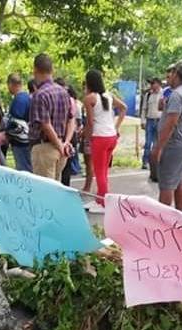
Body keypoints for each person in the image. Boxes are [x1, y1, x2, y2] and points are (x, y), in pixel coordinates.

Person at [151, 60, 182, 211]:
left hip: (174, 145)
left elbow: (170, 124)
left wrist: (158, 148)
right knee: (179, 182)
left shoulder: (177, 95)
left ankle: (163, 222)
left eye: (170, 74)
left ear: (176, 74)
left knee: (166, 185)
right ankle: (179, 215)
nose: (168, 77)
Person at [82, 69, 127, 214]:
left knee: (99, 172)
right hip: (111, 136)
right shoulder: (109, 96)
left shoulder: (89, 98)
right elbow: (123, 108)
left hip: (99, 137)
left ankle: (104, 203)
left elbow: (89, 123)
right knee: (104, 171)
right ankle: (100, 199)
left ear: (89, 82)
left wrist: (86, 137)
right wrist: (116, 126)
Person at [28, 53, 75, 181]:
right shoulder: (64, 92)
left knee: (44, 192)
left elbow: (46, 125)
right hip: (61, 146)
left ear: (35, 70)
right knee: (56, 188)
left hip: (44, 148)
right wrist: (65, 143)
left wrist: (60, 146)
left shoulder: (39, 95)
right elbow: (71, 119)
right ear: (52, 70)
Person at [6, 73, 32, 172]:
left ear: (11, 84)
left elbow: (16, 122)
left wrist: (7, 131)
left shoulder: (19, 100)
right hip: (27, 140)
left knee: (24, 169)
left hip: (20, 141)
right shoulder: (26, 97)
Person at [141, 78, 162, 170]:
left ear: (158, 84)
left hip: (159, 120)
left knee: (157, 143)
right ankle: (145, 162)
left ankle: (155, 162)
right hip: (150, 120)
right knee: (148, 142)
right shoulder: (148, 95)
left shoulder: (163, 94)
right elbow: (144, 108)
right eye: (151, 84)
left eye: (153, 83)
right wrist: (143, 121)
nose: (151, 85)